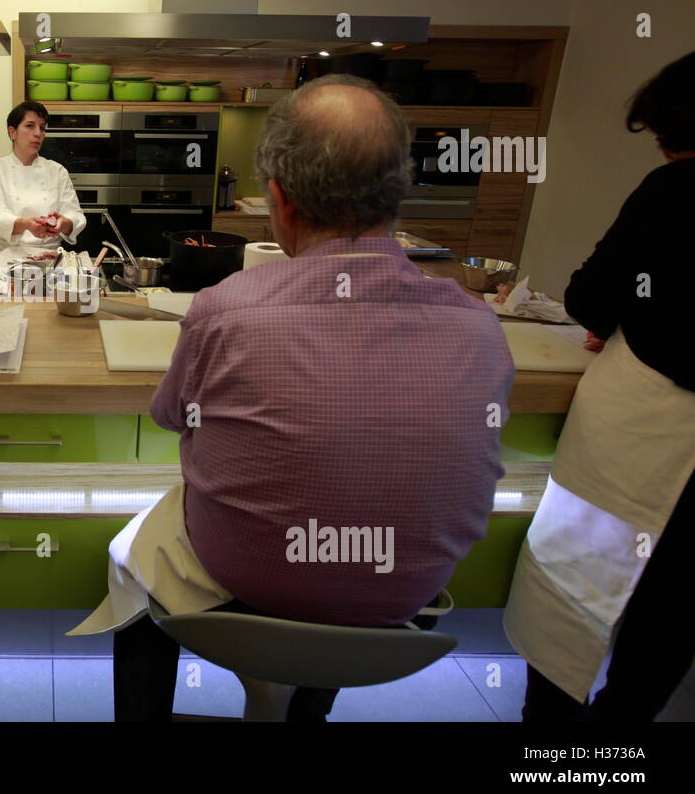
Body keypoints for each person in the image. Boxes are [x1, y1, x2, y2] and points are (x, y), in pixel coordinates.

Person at [68, 75, 515, 721]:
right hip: (399, 605)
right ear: (398, 194)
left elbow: (169, 416)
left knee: (130, 555)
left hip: (242, 579)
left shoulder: (227, 311)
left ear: (278, 201)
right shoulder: (480, 329)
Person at [505, 51, 695, 722]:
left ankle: (555, 752)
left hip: (642, 431)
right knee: (668, 626)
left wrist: (626, 317)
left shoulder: (673, 190)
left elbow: (591, 294)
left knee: (574, 595)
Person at [0, 100, 86, 262]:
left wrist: (64, 223)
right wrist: (25, 224)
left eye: (42, 128)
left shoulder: (56, 171)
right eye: (30, 126)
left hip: (50, 258)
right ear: (12, 132)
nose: (38, 133)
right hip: (8, 259)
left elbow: (75, 214)